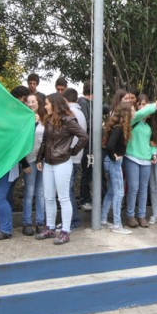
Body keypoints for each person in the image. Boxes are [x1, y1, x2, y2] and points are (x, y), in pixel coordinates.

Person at [0, 86, 33, 240]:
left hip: (6, 164)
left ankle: (6, 229)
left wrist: (24, 163)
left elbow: (20, 144)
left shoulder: (20, 116)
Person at [35, 93, 88, 245]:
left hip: (63, 162)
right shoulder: (50, 120)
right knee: (49, 197)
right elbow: (45, 140)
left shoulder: (69, 120)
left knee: (63, 198)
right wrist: (40, 158)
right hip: (49, 162)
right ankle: (50, 228)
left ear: (55, 104)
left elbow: (84, 137)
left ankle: (65, 231)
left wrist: (72, 151)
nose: (45, 106)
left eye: (47, 104)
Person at [124, 97, 157, 228]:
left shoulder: (150, 126)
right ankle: (130, 216)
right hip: (132, 157)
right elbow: (140, 114)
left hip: (146, 160)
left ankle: (142, 216)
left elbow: (153, 142)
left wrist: (153, 153)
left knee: (144, 189)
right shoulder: (133, 120)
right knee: (133, 187)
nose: (143, 107)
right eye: (141, 105)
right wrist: (154, 105)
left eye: (146, 105)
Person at [101, 102, 134, 234]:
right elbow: (109, 146)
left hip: (111, 162)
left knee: (111, 192)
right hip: (113, 162)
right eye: (132, 110)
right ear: (126, 113)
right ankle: (117, 225)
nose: (134, 112)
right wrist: (114, 157)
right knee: (119, 192)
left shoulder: (118, 127)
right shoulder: (119, 128)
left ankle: (103, 219)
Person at [22, 93, 46, 236]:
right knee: (29, 193)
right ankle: (26, 223)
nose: (31, 104)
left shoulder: (45, 118)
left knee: (41, 193)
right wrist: (24, 163)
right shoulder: (23, 119)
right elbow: (20, 143)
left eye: (33, 102)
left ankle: (40, 222)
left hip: (42, 160)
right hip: (29, 160)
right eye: (28, 102)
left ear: (39, 103)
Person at [64, 88, 86, 229]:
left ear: (65, 100)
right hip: (77, 157)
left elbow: (78, 136)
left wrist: (71, 151)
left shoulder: (72, 114)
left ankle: (74, 221)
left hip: (71, 158)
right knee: (69, 190)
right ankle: (73, 220)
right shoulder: (81, 113)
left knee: (68, 191)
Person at [77, 80, 93, 211]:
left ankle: (88, 198)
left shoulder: (91, 103)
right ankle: (84, 199)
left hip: (92, 143)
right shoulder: (83, 102)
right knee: (87, 171)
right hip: (87, 144)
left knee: (91, 171)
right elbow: (87, 122)